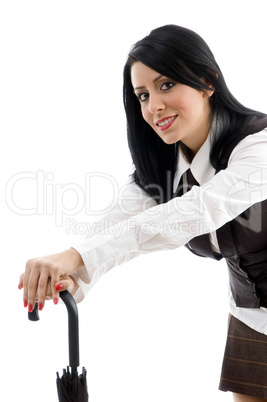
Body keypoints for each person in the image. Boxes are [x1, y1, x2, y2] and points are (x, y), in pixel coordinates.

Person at [19, 25, 267, 401]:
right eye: (142, 95)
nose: (154, 107)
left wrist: (77, 258)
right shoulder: (162, 167)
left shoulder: (259, 145)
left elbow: (201, 210)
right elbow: (117, 224)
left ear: (207, 81)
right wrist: (74, 277)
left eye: (167, 85)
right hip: (251, 311)